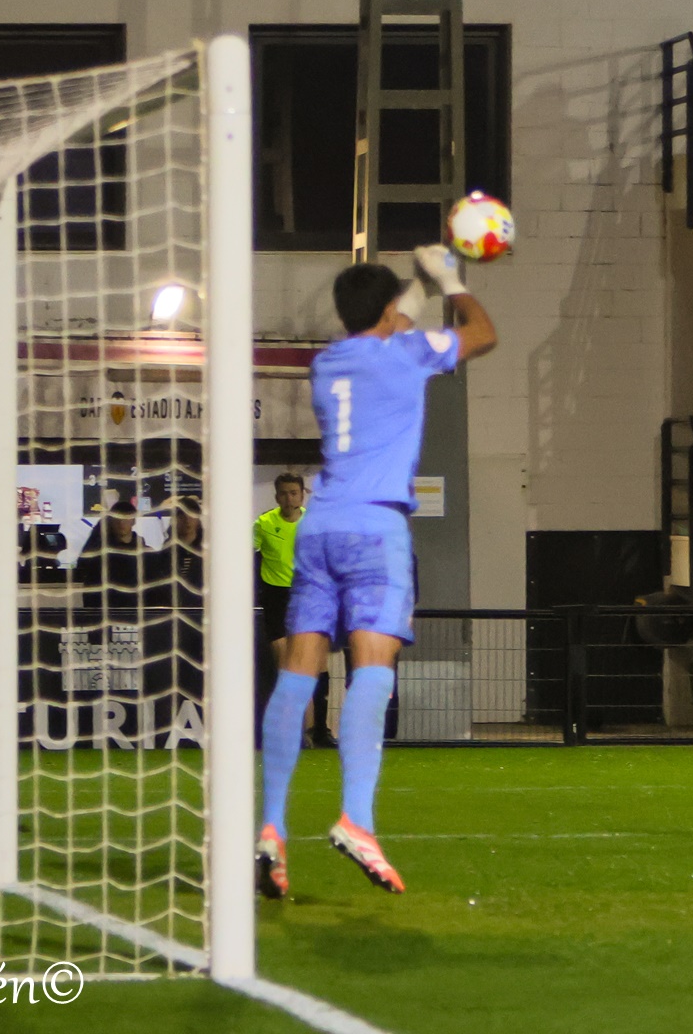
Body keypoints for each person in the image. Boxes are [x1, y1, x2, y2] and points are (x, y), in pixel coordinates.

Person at [255, 245, 497, 898]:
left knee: (298, 672)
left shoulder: (328, 361)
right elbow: (482, 333)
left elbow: (387, 323)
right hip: (375, 528)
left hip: (319, 529)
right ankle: (356, 819)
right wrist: (449, 279)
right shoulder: (407, 354)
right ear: (390, 312)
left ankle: (271, 827)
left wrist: (411, 286)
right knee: (371, 667)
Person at [254, 473, 333, 747]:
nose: (289, 498)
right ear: (277, 497)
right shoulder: (263, 524)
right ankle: (293, 730)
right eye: (284, 493)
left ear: (302, 495)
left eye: (293, 493)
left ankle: (315, 729)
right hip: (276, 600)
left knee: (312, 666)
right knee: (287, 666)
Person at [73, 499, 149, 610]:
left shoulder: (140, 546)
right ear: (111, 520)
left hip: (131, 606)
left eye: (125, 519)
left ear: (133, 520)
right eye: (117, 519)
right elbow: (83, 567)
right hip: (103, 606)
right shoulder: (100, 547)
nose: (121, 523)